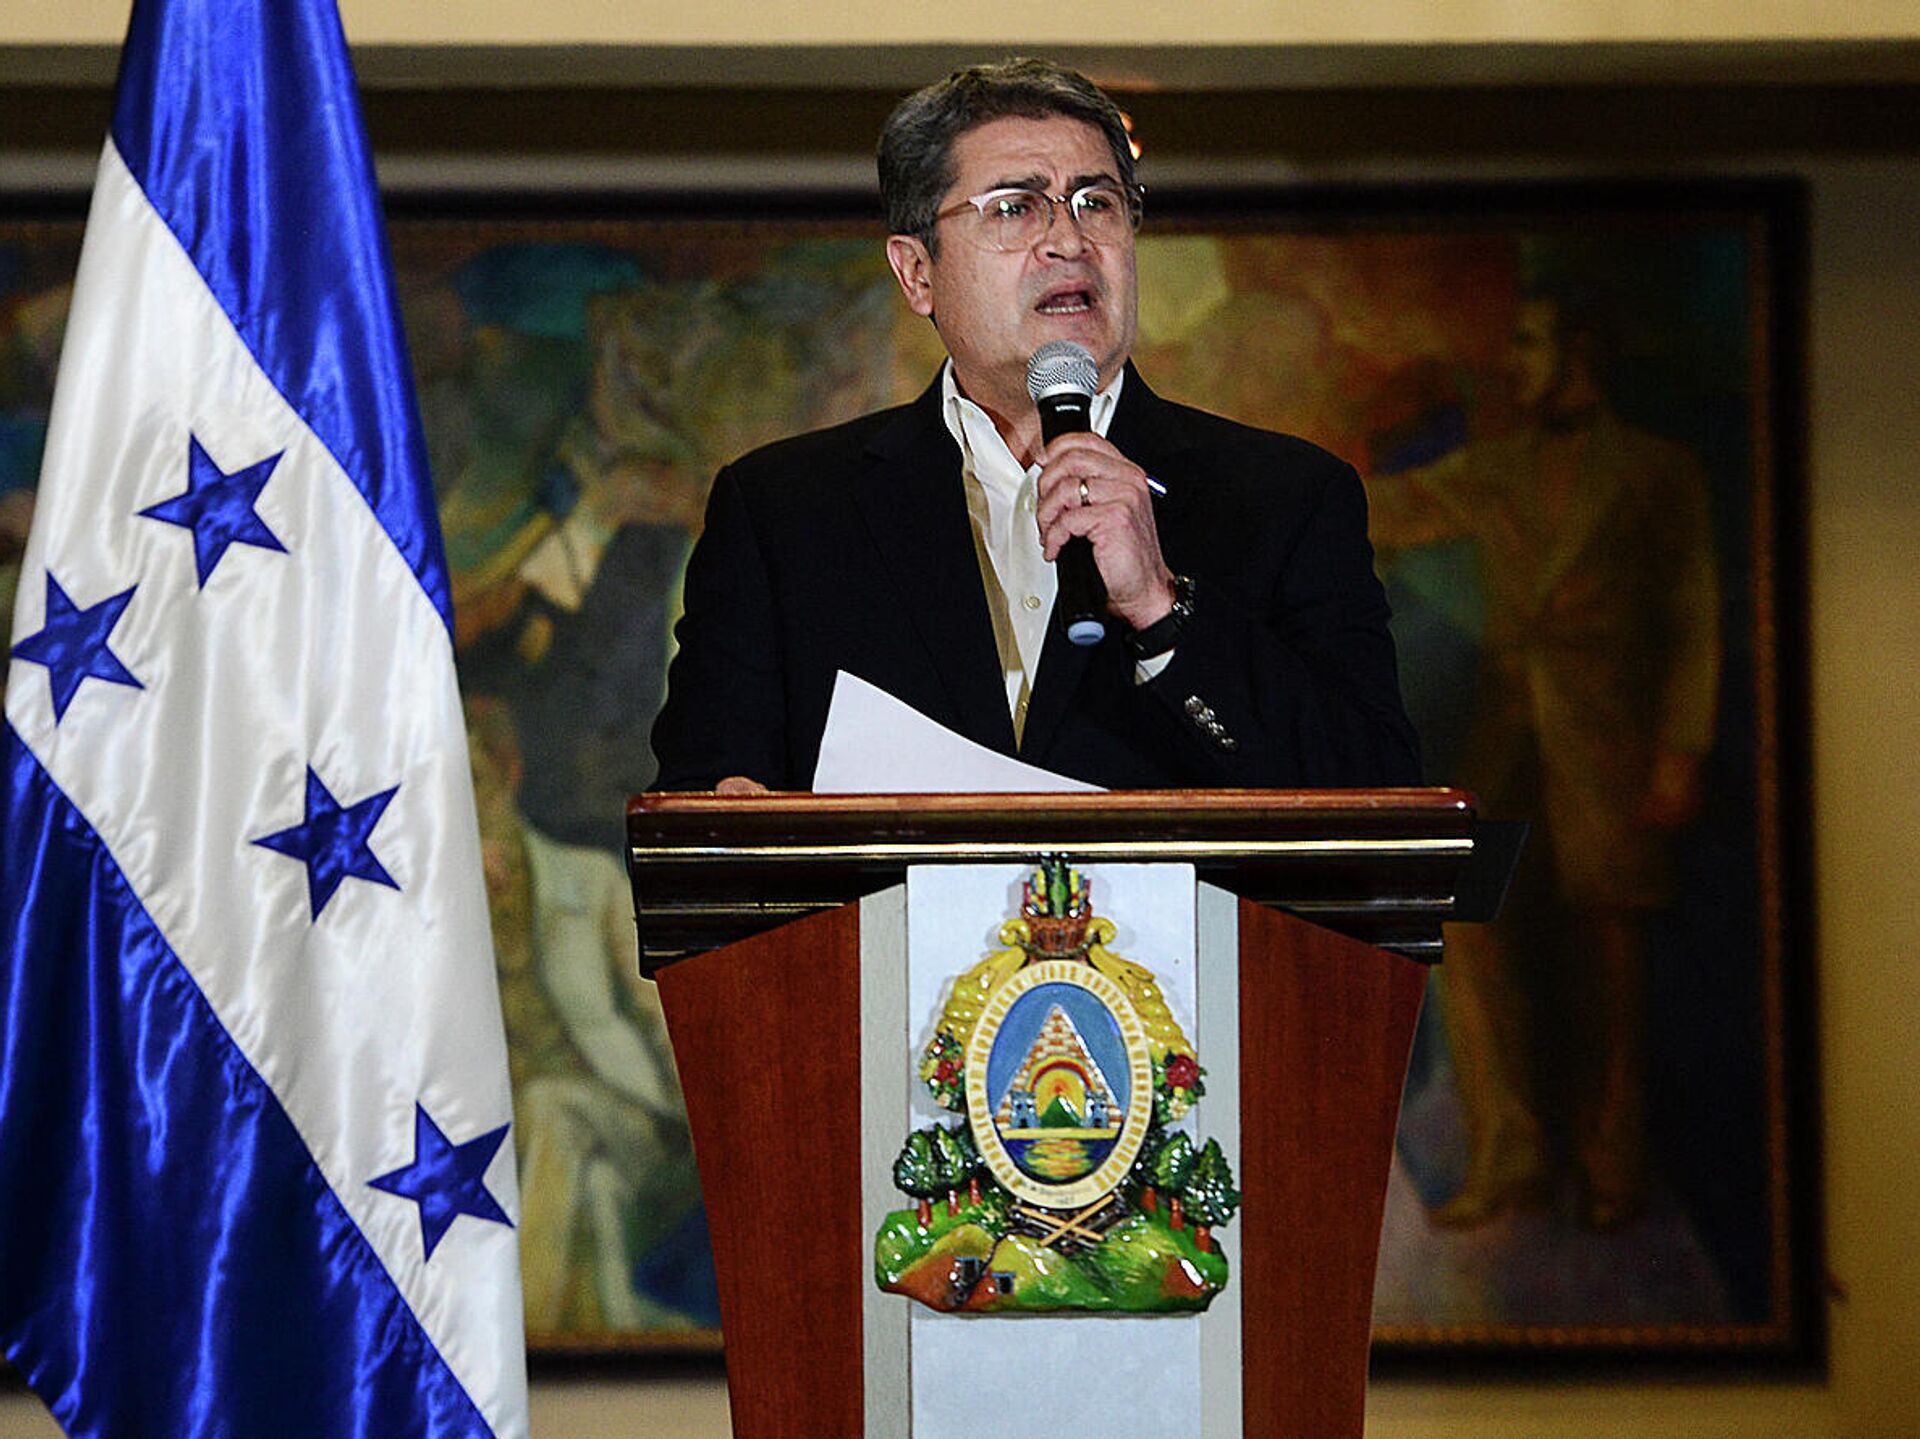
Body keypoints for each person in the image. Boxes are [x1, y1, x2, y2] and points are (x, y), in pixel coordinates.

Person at [650, 59, 1419, 794]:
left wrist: (1162, 607)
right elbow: (700, 801)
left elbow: (1378, 799)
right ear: (917, 272)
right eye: (1016, 207)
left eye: (1097, 202)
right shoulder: (783, 513)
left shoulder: (1289, 497)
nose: (1069, 241)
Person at [1366, 292, 1720, 1229]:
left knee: (1610, 963)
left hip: (1608, 745)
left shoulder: (1658, 469)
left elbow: (1694, 616)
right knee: (1470, 932)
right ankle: (1509, 1153)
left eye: (1529, 341)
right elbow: (1391, 508)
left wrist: (1681, 749)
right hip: (1508, 741)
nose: (1514, 360)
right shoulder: (1499, 467)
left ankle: (1613, 1164)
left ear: (1580, 350)